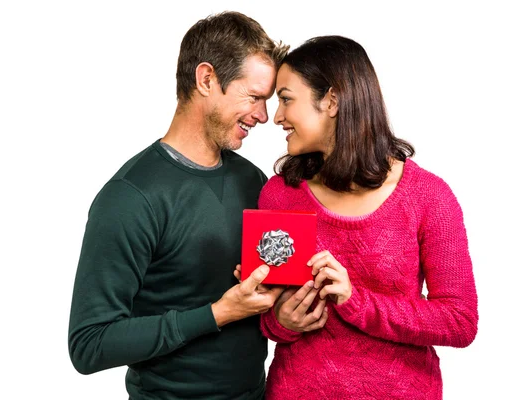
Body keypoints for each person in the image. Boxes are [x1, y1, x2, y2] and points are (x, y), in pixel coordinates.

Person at [68, 12, 289, 399]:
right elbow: (89, 344)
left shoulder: (255, 183)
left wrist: (282, 314)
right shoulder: (130, 197)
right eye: (253, 97)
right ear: (206, 79)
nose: (263, 116)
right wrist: (217, 314)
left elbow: (263, 300)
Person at [258, 36, 479, 399]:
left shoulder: (429, 197)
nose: (277, 117)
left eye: (285, 98)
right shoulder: (280, 194)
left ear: (331, 100)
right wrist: (281, 321)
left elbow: (459, 321)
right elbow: (266, 308)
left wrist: (355, 301)